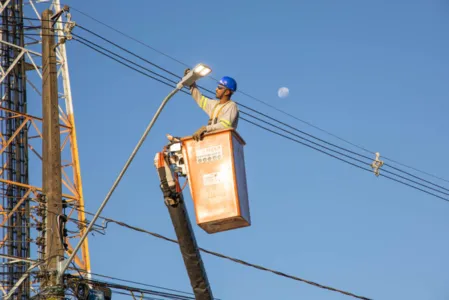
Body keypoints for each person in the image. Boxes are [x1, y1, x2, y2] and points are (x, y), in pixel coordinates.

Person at [184, 68, 239, 141]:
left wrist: (206, 128)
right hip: (214, 142)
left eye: (220, 88)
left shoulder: (231, 106)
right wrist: (191, 81)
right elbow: (199, 98)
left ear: (227, 92)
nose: (216, 89)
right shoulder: (215, 104)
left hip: (224, 142)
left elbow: (225, 125)